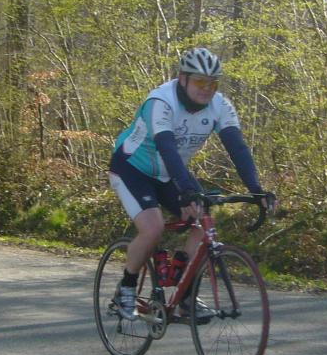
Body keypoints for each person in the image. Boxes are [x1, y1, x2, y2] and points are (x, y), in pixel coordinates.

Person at [107, 46, 275, 319]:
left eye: (212, 83)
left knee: (203, 221)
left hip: (169, 173)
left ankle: (184, 293)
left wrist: (256, 189)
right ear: (183, 78)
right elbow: (167, 148)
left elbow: (237, 148)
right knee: (153, 228)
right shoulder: (160, 102)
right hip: (132, 169)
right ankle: (126, 287)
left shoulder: (220, 106)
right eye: (199, 81)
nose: (206, 89)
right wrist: (186, 189)